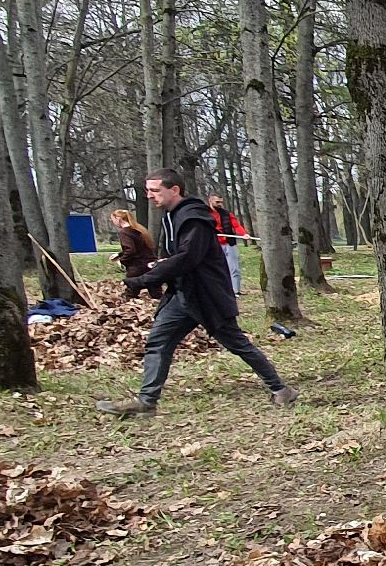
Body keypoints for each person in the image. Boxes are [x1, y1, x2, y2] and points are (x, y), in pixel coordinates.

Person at [94, 168, 299, 418]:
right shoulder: (173, 216)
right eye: (148, 190)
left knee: (237, 344)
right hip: (182, 294)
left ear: (174, 190)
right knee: (158, 342)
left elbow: (189, 257)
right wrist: (161, 265)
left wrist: (142, 280)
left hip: (206, 295)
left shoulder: (193, 217)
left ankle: (281, 389)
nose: (149, 196)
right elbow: (180, 256)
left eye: (155, 190)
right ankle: (146, 402)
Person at [111, 209, 159, 298]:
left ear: (118, 218)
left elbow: (130, 250)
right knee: (156, 292)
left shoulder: (124, 232)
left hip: (136, 267)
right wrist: (119, 255)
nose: (113, 222)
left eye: (113, 219)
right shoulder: (140, 230)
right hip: (150, 264)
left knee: (130, 293)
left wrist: (122, 260)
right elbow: (140, 248)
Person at [208, 196, 248, 297]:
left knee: (234, 268)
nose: (219, 204)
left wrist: (244, 234)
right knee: (216, 269)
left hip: (229, 244)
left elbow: (236, 226)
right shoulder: (205, 214)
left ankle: (235, 291)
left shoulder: (227, 214)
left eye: (221, 202)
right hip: (215, 245)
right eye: (217, 202)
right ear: (210, 201)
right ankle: (218, 291)